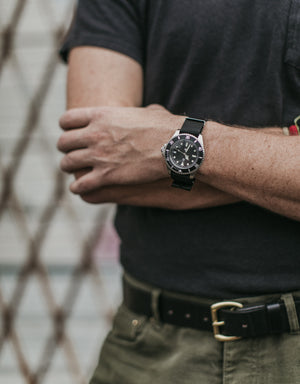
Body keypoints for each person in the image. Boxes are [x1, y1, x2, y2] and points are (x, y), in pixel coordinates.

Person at [57, 1, 300, 383]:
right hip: (149, 348)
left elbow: (127, 152)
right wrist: (285, 148)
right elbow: (97, 163)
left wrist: (172, 139)